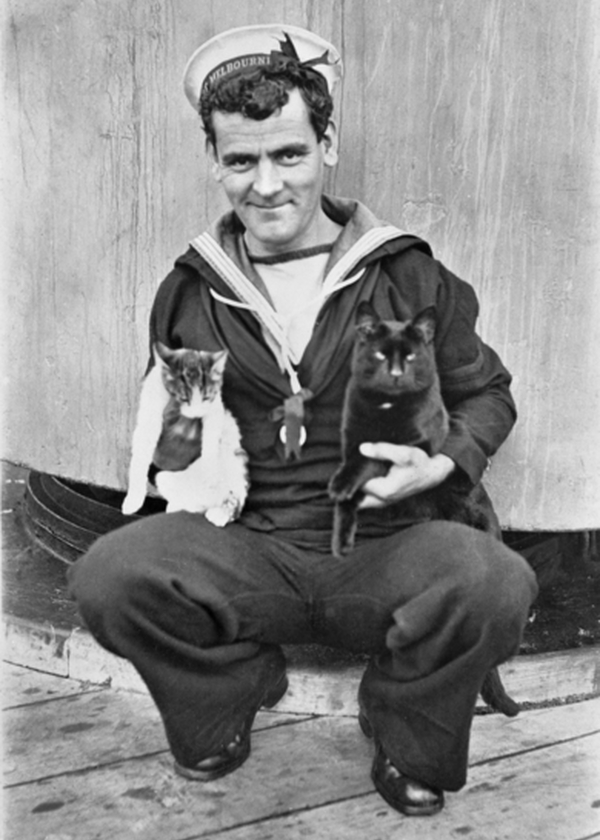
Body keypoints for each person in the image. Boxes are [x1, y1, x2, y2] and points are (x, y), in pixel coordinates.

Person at [68, 23, 538, 818]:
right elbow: (176, 423)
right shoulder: (191, 287)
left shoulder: (405, 269)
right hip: (249, 542)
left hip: (387, 541)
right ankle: (232, 688)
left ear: (327, 145)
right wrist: (179, 452)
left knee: (497, 583)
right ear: (213, 160)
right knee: (108, 576)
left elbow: (488, 392)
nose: (267, 185)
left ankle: (402, 726)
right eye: (241, 160)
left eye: (288, 154)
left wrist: (445, 463)